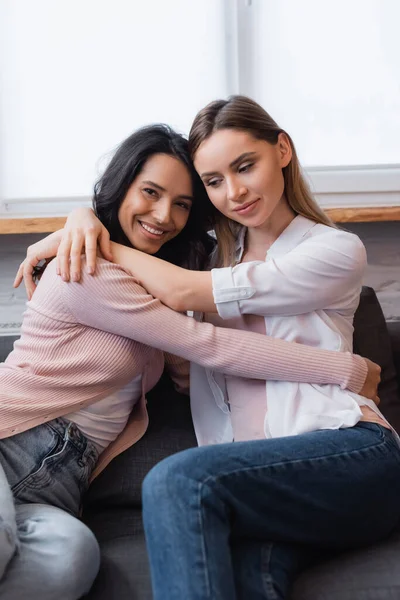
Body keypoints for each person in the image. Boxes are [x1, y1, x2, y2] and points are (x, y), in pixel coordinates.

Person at [25, 97, 400, 600]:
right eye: (213, 182)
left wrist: (99, 237)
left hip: (346, 453)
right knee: (249, 579)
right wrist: (81, 219)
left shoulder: (332, 250)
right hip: (257, 484)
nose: (235, 191)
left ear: (282, 150)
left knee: (176, 483)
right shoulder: (206, 262)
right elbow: (177, 300)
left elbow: (188, 298)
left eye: (246, 166)